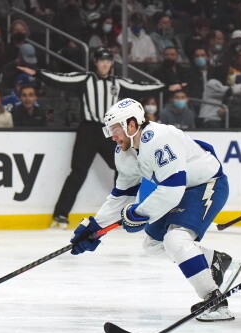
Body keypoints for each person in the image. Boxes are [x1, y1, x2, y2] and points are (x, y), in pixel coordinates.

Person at [69, 98, 241, 321]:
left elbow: (171, 191)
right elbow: (121, 195)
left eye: (115, 129)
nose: (111, 136)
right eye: (109, 130)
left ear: (131, 125)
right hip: (182, 190)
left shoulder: (159, 139)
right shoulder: (124, 153)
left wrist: (138, 214)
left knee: (175, 240)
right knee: (153, 244)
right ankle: (215, 261)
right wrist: (95, 227)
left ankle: (215, 301)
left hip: (207, 184)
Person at [17, 47, 165, 229]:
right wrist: (38, 73)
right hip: (88, 130)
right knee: (77, 172)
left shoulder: (118, 82)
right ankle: (61, 214)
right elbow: (61, 79)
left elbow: (142, 87)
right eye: (101, 60)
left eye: (108, 60)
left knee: (124, 168)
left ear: (111, 63)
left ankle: (121, 212)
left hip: (111, 131)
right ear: (96, 62)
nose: (105, 64)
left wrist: (167, 86)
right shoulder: (86, 79)